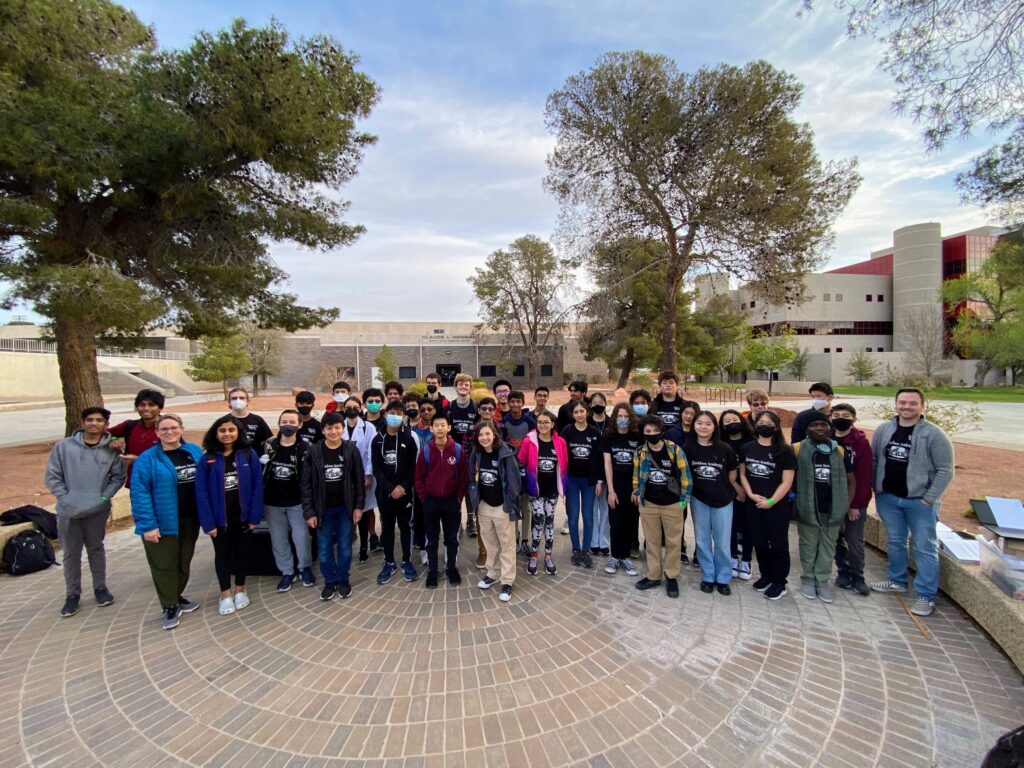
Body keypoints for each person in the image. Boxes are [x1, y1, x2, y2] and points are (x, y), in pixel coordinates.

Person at [869, 388, 954, 617]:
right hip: (889, 498)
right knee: (896, 542)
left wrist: (929, 498)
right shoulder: (884, 430)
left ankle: (926, 596)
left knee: (925, 547)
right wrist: (877, 488)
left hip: (920, 502)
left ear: (922, 406)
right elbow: (875, 459)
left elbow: (945, 470)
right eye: (902, 402)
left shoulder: (934, 434)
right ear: (895, 404)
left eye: (912, 403)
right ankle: (897, 580)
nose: (906, 407)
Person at [45, 407, 126, 618]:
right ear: (82, 422)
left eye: (99, 420)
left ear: (106, 425)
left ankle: (100, 588)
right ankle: (72, 594)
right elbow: (53, 476)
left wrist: (104, 497)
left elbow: (118, 477)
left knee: (96, 549)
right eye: (89, 420)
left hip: (97, 509)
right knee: (71, 553)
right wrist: (65, 498)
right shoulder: (63, 447)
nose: (94, 423)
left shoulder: (111, 448)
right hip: (68, 511)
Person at [129, 414, 203, 630]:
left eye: (173, 428)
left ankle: (177, 596)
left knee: (183, 561)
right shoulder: (148, 459)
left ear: (181, 428)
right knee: (164, 565)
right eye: (164, 429)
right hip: (163, 521)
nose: (169, 432)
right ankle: (169, 604)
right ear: (157, 432)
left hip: (190, 518)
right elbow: (140, 492)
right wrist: (148, 524)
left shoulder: (193, 452)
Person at [196, 415, 263, 616]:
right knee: (222, 555)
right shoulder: (207, 458)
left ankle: (240, 589)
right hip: (219, 520)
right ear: (215, 433)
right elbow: (201, 492)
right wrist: (208, 523)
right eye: (222, 430)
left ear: (239, 433)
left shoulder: (248, 455)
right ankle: (225, 593)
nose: (227, 434)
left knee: (242, 554)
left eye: (231, 430)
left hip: (242, 517)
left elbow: (257, 487)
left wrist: (254, 517)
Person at [301, 411, 365, 601]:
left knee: (345, 546)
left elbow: (359, 480)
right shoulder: (314, 452)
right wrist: (309, 511)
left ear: (343, 429)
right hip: (323, 510)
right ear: (323, 430)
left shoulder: (350, 450)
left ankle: (343, 579)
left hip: (345, 508)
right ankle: (330, 580)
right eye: (329, 428)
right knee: (324, 548)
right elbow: (305, 484)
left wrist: (358, 506)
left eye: (337, 427)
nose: (333, 431)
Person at [793, 412, 855, 603]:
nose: (819, 428)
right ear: (806, 430)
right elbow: (790, 480)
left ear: (830, 428)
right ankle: (808, 579)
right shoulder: (796, 449)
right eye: (814, 425)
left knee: (828, 548)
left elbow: (851, 481)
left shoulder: (840, 451)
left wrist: (845, 507)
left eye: (823, 425)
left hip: (833, 509)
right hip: (808, 508)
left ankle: (822, 581)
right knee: (809, 546)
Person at [631, 415, 691, 598]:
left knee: (674, 542)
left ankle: (671, 576)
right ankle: (653, 575)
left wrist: (684, 499)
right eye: (648, 431)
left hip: (672, 503)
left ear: (662, 430)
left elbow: (685, 474)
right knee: (652, 541)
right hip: (649, 503)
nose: (652, 434)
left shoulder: (674, 449)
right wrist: (636, 491)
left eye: (655, 430)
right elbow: (636, 474)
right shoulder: (641, 452)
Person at [738, 411, 796, 601]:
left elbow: (787, 482)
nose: (764, 425)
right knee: (759, 542)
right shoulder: (747, 448)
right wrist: (751, 495)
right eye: (761, 422)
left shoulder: (784, 450)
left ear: (776, 427)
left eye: (769, 423)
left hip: (776, 505)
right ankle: (766, 575)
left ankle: (780, 581)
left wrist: (771, 501)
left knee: (778, 544)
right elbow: (743, 474)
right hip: (753, 503)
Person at [685, 411, 744, 595]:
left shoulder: (725, 449)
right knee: (702, 540)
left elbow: (732, 473)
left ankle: (723, 577)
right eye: (699, 423)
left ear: (714, 427)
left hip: (723, 500)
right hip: (699, 499)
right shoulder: (688, 448)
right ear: (694, 426)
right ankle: (708, 575)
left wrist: (732, 488)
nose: (703, 427)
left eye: (708, 424)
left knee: (722, 541)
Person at [414, 412, 470, 588]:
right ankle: (432, 570)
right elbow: (419, 478)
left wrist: (458, 498)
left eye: (442, 425)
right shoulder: (426, 451)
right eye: (436, 425)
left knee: (452, 538)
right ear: (431, 428)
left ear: (449, 428)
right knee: (431, 538)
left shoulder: (458, 450)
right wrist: (424, 498)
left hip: (451, 502)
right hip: (430, 501)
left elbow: (464, 477)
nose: (439, 428)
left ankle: (451, 568)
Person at [468, 422, 522, 602]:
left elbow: (514, 483)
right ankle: (493, 572)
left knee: (507, 545)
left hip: (502, 506)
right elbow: (472, 478)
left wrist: (509, 505)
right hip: (484, 505)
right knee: (490, 543)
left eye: (487, 434)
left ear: (494, 435)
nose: (484, 438)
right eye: (480, 435)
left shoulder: (505, 453)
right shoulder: (476, 454)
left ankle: (507, 581)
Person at [262, 409, 315, 592]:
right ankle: (286, 571)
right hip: (272, 501)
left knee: (301, 537)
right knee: (278, 538)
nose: (287, 425)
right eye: (284, 422)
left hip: (297, 501)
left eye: (292, 422)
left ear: (299, 425)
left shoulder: (306, 447)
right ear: (279, 424)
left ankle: (304, 567)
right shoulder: (269, 445)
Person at [371, 401, 419, 585]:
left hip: (405, 492)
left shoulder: (409, 437)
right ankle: (389, 562)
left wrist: (403, 487)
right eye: (392, 412)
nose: (395, 416)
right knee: (388, 528)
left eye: (399, 413)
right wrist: (391, 488)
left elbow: (414, 467)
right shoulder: (378, 439)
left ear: (404, 416)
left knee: (406, 527)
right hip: (385, 494)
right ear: (385, 414)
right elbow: (377, 468)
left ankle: (407, 561)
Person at [830, 403, 873, 596]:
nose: (840, 418)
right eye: (836, 414)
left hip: (854, 500)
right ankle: (843, 572)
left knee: (854, 541)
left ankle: (858, 575)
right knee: (837, 539)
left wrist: (856, 505)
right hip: (831, 500)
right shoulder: (826, 438)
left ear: (853, 419)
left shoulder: (860, 443)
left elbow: (863, 476)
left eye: (845, 415)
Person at [518, 411, 565, 576]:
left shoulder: (560, 442)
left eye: (546, 422)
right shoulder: (529, 441)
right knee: (539, 520)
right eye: (540, 422)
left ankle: (548, 556)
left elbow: (563, 466)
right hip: (535, 490)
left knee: (550, 522)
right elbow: (521, 462)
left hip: (552, 490)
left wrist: (563, 488)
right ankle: (534, 555)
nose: (543, 425)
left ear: (552, 424)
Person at [560, 399, 604, 568]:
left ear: (587, 412)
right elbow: (561, 456)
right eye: (576, 412)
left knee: (587, 516)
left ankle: (586, 550)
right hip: (572, 479)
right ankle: (576, 549)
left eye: (582, 411)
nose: (579, 414)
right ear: (572, 414)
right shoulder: (567, 431)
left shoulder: (594, 432)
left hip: (589, 481)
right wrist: (562, 482)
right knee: (572, 517)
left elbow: (600, 459)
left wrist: (600, 481)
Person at [602, 403, 641, 576]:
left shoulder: (638, 437)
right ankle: (615, 555)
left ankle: (625, 557)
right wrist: (610, 490)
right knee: (616, 523)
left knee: (630, 522)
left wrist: (637, 489)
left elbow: (642, 464)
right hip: (615, 486)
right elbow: (607, 463)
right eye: (620, 416)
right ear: (615, 417)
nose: (623, 419)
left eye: (626, 416)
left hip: (632, 487)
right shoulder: (608, 436)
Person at [343, 394, 379, 561]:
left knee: (364, 510)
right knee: (347, 510)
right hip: (343, 478)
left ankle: (364, 546)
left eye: (355, 407)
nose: (351, 410)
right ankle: (348, 542)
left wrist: (368, 474)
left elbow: (372, 452)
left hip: (363, 475)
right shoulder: (338, 426)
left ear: (360, 408)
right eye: (348, 407)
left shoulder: (368, 427)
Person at [500, 391, 536, 555]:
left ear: (522, 403)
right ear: (508, 403)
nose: (514, 405)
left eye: (518, 402)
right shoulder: (504, 422)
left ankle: (525, 539)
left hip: (527, 469)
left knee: (525, 506)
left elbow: (535, 445)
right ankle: (514, 538)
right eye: (512, 402)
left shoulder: (529, 422)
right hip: (510, 469)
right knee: (513, 504)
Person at [721, 409, 755, 580]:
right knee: (731, 526)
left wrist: (745, 490)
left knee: (748, 525)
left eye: (734, 419)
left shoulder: (752, 442)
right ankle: (733, 557)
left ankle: (747, 559)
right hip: (730, 490)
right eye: (726, 421)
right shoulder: (721, 443)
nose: (731, 423)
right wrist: (735, 487)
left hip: (750, 491)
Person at [446, 372, 480, 536]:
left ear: (470, 387)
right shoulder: (450, 407)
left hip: (471, 454)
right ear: (456, 387)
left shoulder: (475, 407)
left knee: (469, 487)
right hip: (453, 454)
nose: (463, 387)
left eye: (466, 384)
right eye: (460, 384)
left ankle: (470, 521)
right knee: (454, 488)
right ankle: (456, 521)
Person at [107, 388, 163, 485]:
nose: (146, 408)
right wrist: (113, 438)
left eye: (151, 405)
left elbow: (174, 457)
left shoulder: (168, 428)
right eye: (142, 405)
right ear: (136, 407)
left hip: (160, 480)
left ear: (160, 408)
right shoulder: (129, 425)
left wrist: (139, 460)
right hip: (136, 480)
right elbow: (104, 433)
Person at [587, 392, 611, 556]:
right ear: (590, 405)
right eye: (594, 402)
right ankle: (593, 540)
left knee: (606, 508)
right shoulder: (586, 423)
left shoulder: (612, 423)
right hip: (590, 471)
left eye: (601, 401)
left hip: (608, 471)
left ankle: (604, 541)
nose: (598, 404)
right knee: (592, 508)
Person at [226, 388, 273, 456]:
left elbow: (268, 441)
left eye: (242, 398)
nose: (238, 400)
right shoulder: (224, 421)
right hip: (231, 461)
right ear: (229, 402)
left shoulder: (258, 420)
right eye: (234, 398)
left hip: (254, 461)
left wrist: (267, 455)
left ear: (247, 401)